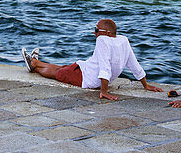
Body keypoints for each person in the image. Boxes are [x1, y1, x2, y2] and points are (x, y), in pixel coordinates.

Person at [21, 19, 165, 101]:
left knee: (58, 73)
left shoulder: (103, 40)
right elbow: (134, 65)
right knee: (63, 67)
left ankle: (33, 64)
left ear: (106, 33)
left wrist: (104, 91)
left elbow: (105, 67)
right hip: (86, 69)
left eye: (96, 30)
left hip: (86, 78)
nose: (94, 33)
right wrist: (146, 85)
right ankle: (35, 62)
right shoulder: (123, 41)